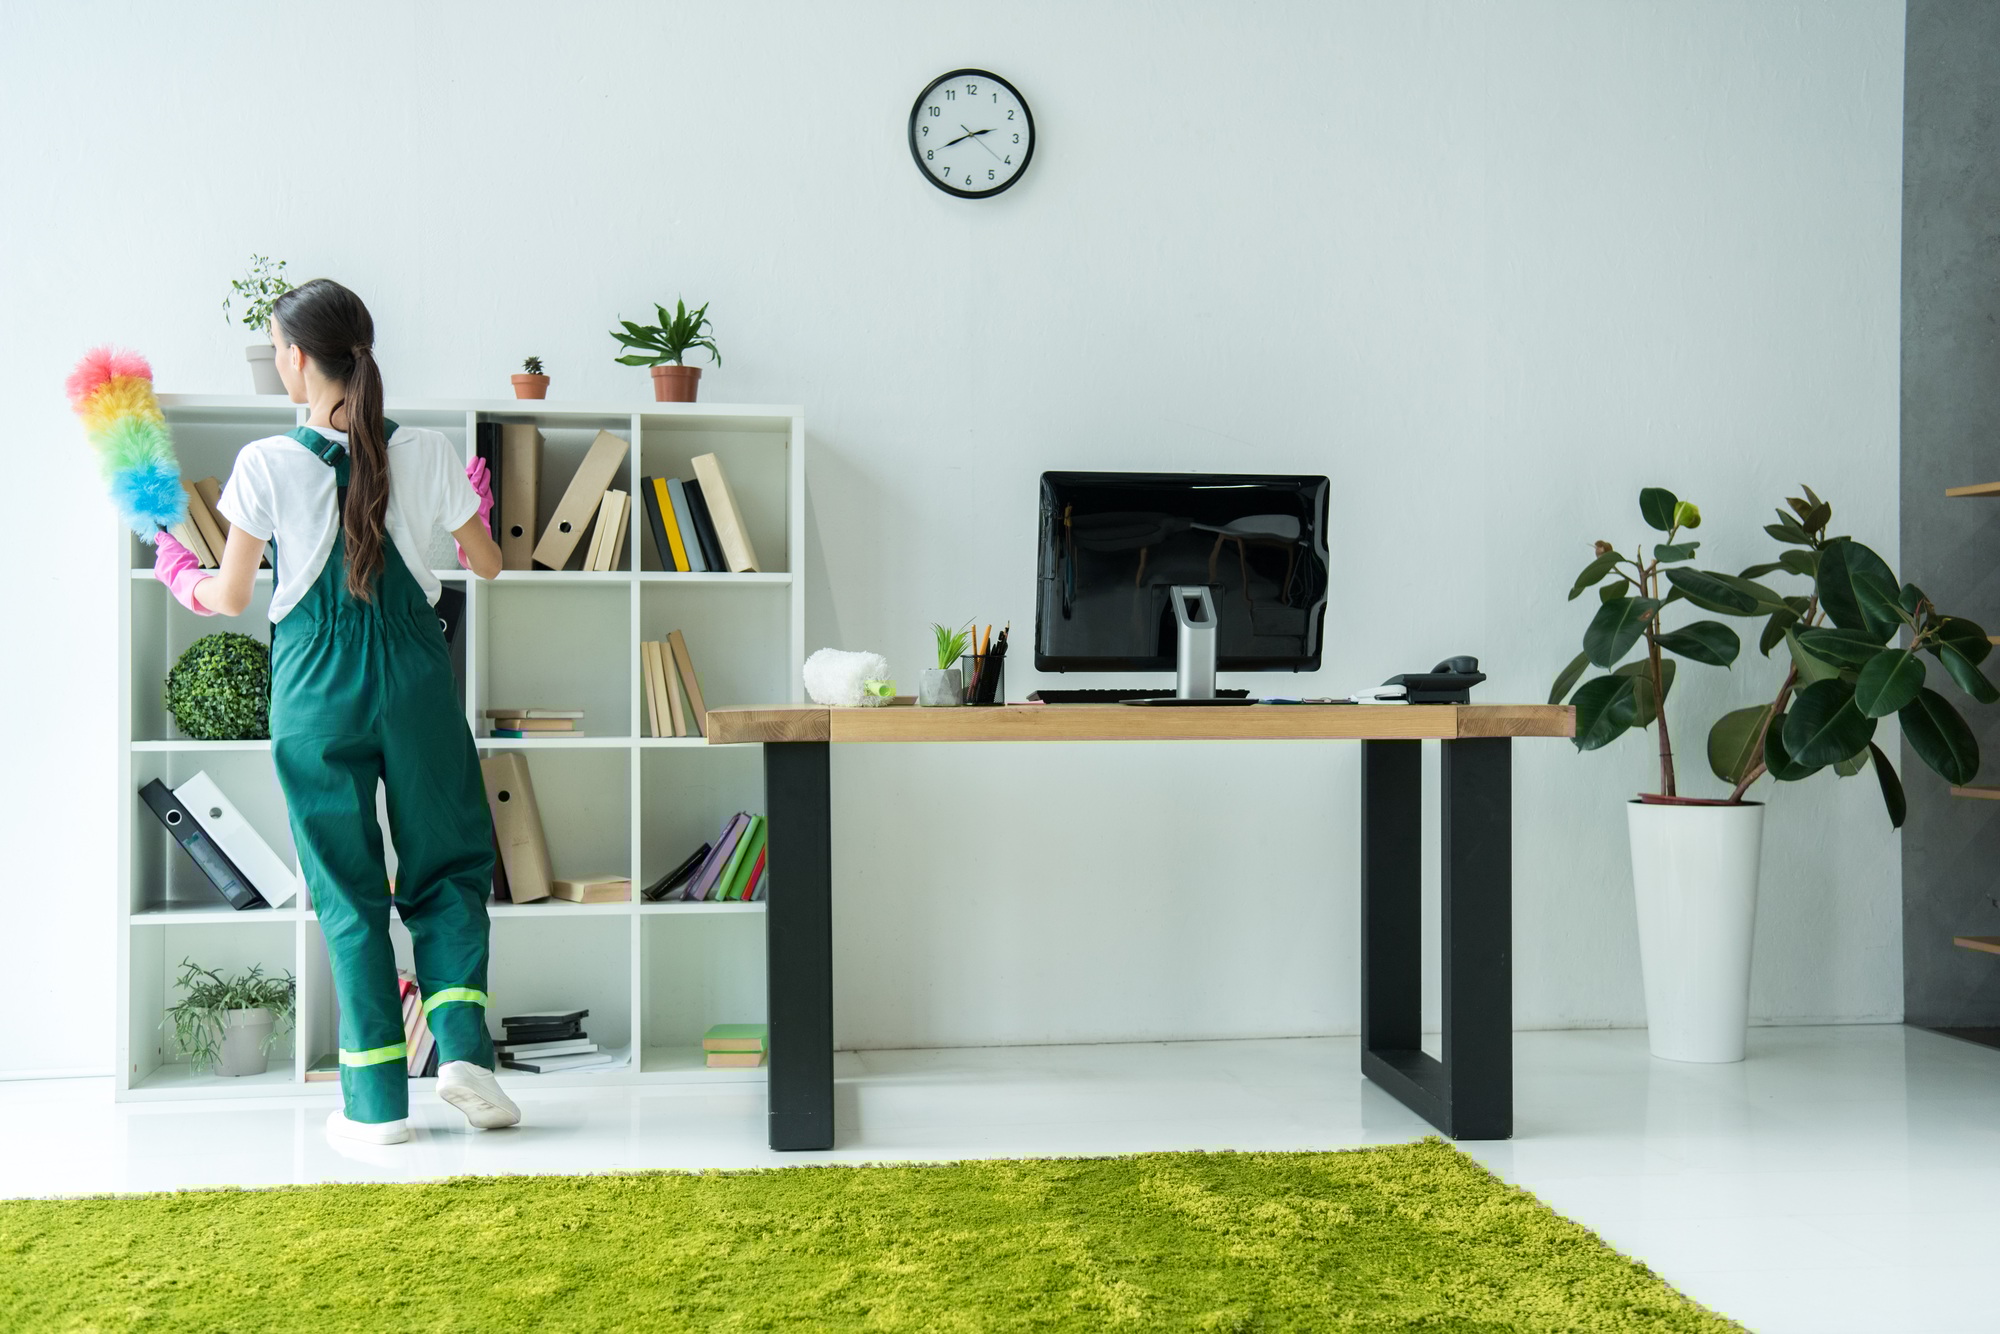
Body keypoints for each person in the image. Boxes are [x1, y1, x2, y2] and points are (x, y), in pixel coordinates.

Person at [150, 278, 518, 1145]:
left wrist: (179, 572)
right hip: (416, 678)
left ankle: (375, 1106)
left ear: (293, 357)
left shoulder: (264, 463)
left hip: (315, 689)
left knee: (349, 894)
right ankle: (463, 1054)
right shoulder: (427, 450)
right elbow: (489, 565)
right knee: (451, 866)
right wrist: (473, 506)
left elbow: (231, 595)